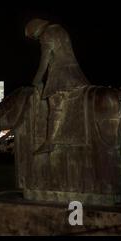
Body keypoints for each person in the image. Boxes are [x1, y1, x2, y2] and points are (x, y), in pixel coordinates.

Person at [25, 19, 89, 154]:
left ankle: (50, 142)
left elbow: (44, 61)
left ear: (36, 31)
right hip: (76, 73)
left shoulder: (47, 35)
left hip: (61, 76)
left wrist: (36, 81)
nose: (37, 39)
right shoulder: (60, 30)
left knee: (54, 105)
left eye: (35, 37)